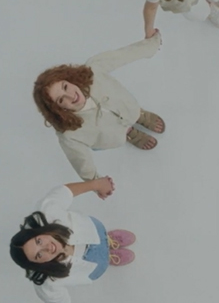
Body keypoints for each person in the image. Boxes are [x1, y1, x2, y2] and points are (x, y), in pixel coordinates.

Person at [32, 35, 166, 190]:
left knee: (130, 110)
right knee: (115, 133)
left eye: (65, 86)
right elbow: (81, 161)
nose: (71, 96)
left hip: (126, 106)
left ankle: (139, 115)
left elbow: (123, 55)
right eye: (61, 100)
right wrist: (95, 182)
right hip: (111, 136)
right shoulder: (69, 134)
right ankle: (129, 132)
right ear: (57, 109)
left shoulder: (93, 70)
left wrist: (150, 45)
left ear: (68, 78)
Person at [8, 182, 135, 303]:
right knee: (103, 262)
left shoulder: (47, 212)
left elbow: (65, 192)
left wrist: (97, 184)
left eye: (39, 241)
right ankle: (108, 257)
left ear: (37, 232)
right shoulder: (46, 282)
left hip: (93, 231)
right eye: (39, 255)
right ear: (38, 264)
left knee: (114, 236)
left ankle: (108, 239)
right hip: (92, 266)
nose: (48, 247)